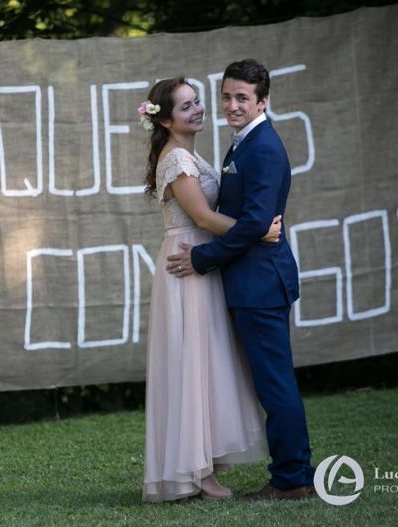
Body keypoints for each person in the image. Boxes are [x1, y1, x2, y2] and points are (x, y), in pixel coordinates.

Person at [166, 59, 316, 500]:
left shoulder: (264, 147)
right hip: (250, 281)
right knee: (271, 382)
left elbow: (252, 224)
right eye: (227, 96)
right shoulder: (242, 142)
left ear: (262, 101)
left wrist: (203, 259)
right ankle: (293, 473)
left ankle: (293, 479)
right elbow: (247, 220)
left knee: (275, 384)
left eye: (242, 98)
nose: (232, 105)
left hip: (261, 284)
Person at [141, 77, 279, 503]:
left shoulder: (189, 153)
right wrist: (257, 233)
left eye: (198, 101)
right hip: (187, 264)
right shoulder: (176, 159)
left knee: (208, 360)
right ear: (165, 120)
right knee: (192, 362)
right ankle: (195, 473)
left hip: (205, 261)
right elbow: (201, 216)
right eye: (186, 107)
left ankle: (204, 461)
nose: (198, 109)